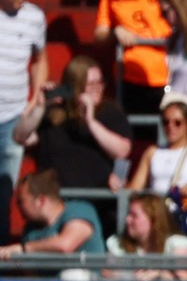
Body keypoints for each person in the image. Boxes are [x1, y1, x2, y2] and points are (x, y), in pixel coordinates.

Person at [13, 56, 133, 192]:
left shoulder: (111, 113)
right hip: (56, 199)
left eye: (100, 82)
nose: (97, 88)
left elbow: (122, 151)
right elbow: (20, 137)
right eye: (91, 84)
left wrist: (91, 122)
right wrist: (40, 107)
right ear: (75, 86)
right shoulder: (54, 114)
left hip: (97, 198)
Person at [125, 94, 187, 250]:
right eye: (166, 122)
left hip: (183, 218)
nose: (170, 127)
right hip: (156, 219)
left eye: (177, 122)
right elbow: (135, 189)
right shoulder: (152, 152)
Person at [0, 0, 46, 245]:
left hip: (13, 120)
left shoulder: (34, 17)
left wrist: (35, 96)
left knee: (4, 193)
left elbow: (40, 59)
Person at [0, 169, 105, 264]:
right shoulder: (31, 231)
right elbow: (31, 272)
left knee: (72, 275)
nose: (17, 207)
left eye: (21, 201)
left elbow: (66, 245)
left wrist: (22, 249)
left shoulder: (80, 210)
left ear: (41, 201)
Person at [94, 0, 173, 116]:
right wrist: (115, 32)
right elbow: (99, 35)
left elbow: (183, 16)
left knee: (165, 129)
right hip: (129, 78)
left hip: (166, 77)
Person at [104, 191, 187, 281]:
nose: (127, 219)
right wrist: (133, 276)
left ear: (153, 220)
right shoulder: (118, 243)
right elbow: (107, 275)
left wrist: (160, 275)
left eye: (134, 215)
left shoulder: (177, 243)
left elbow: (184, 279)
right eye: (129, 214)